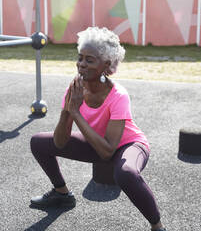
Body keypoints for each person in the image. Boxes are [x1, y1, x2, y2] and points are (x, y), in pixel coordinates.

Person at [30, 27, 166, 231]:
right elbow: (59, 143)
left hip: (128, 145)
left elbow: (108, 151)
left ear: (106, 65)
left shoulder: (118, 95)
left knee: (126, 174)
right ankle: (62, 194)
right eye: (80, 58)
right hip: (97, 142)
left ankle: (157, 226)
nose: (81, 64)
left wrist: (76, 113)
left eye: (89, 60)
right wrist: (68, 110)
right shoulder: (74, 89)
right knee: (39, 142)